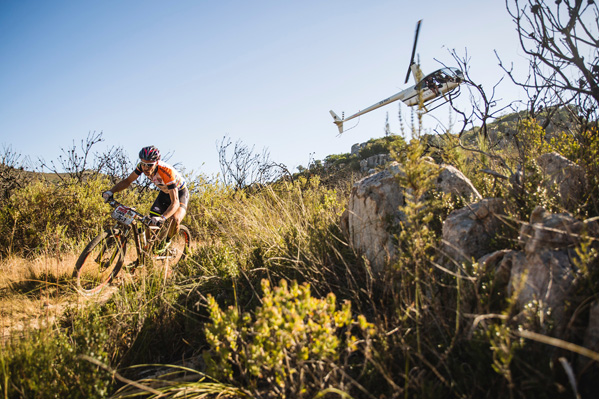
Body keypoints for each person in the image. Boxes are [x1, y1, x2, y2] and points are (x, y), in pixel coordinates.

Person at [102, 145, 188, 237]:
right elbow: (128, 181)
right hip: (164, 192)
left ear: (156, 163)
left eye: (149, 165)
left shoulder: (166, 172)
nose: (145, 168)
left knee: (175, 220)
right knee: (151, 224)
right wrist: (111, 192)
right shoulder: (141, 166)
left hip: (179, 193)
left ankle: (166, 241)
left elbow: (175, 202)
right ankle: (148, 249)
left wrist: (162, 218)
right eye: (143, 164)